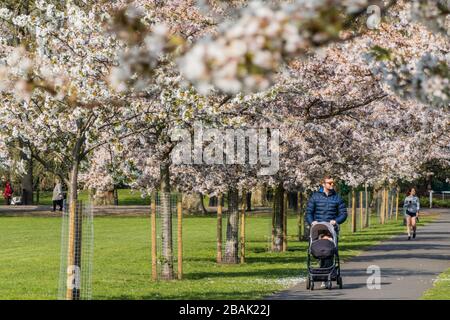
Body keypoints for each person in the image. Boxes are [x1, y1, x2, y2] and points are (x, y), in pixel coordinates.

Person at [306, 175, 347, 286]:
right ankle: (323, 275)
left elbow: (343, 214)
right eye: (329, 183)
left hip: (331, 228)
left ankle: (326, 276)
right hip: (318, 228)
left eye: (333, 183)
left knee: (329, 251)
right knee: (320, 251)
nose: (332, 185)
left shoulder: (337, 198)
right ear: (323, 184)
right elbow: (309, 212)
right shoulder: (315, 197)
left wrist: (336, 220)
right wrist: (312, 222)